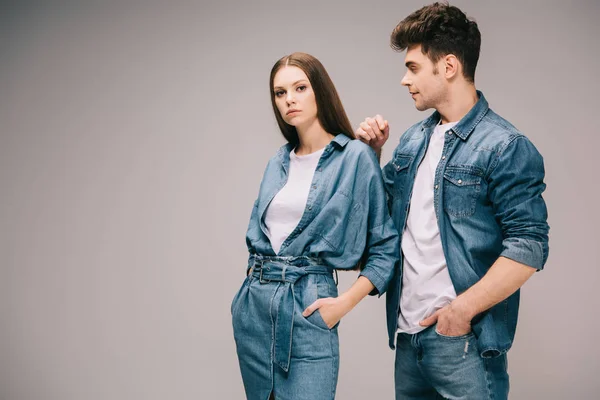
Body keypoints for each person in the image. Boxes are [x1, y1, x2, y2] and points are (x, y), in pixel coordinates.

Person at [355, 3, 550, 399]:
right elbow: (380, 221)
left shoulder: (505, 146)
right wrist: (372, 157)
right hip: (409, 341)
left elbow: (529, 246)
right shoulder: (412, 140)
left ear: (448, 66)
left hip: (463, 345)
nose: (403, 80)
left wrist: (460, 314)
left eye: (412, 68)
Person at [231, 52, 400, 400]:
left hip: (307, 304)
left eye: (300, 87)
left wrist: (344, 303)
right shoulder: (278, 161)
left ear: (319, 91)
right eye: (280, 93)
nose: (289, 99)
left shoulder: (356, 155)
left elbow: (383, 247)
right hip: (255, 308)